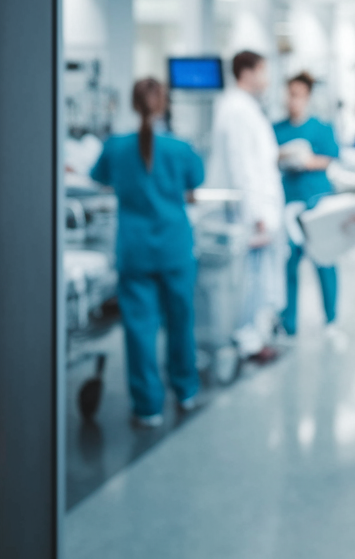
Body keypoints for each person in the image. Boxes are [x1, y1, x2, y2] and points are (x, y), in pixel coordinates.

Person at [90, 79, 204, 427]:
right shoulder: (180, 147)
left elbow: (100, 179)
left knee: (139, 330)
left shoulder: (115, 147)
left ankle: (148, 407)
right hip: (174, 249)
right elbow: (195, 182)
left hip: (135, 250)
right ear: (164, 104)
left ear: (133, 104)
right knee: (180, 322)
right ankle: (185, 391)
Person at [206, 50, 285, 364]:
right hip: (252, 212)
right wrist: (257, 215)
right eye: (263, 71)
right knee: (251, 278)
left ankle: (254, 334)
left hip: (259, 207)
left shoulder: (245, 107)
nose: (267, 80)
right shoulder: (236, 109)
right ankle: (247, 339)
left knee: (258, 276)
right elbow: (242, 167)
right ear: (247, 72)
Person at [273, 71, 342, 341]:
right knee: (289, 262)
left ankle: (331, 318)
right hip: (289, 203)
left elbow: (329, 158)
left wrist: (305, 161)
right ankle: (288, 323)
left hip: (316, 202)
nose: (293, 100)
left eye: (299, 95)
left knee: (324, 259)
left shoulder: (321, 128)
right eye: (290, 94)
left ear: (308, 97)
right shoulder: (277, 129)